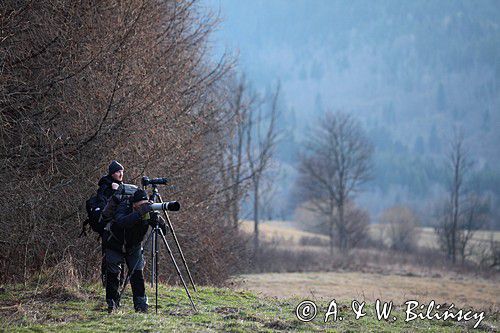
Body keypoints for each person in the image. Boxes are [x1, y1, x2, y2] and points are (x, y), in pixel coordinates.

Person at [104, 188, 166, 313]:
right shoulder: (124, 206)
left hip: (134, 246)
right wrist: (139, 213)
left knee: (137, 274)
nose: (143, 206)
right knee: (113, 273)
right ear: (134, 204)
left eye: (145, 203)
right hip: (115, 244)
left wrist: (158, 221)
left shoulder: (147, 211)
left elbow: (164, 232)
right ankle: (112, 303)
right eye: (140, 204)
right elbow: (122, 222)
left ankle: (141, 306)